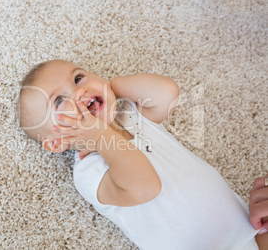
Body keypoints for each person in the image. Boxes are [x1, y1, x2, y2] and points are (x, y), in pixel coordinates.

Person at [18, 59, 267, 249]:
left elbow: (167, 92)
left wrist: (109, 87)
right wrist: (98, 135)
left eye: (78, 78)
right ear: (56, 143)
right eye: (59, 101)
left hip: (246, 227)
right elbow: (145, 188)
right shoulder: (89, 171)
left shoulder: (131, 116)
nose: (79, 92)